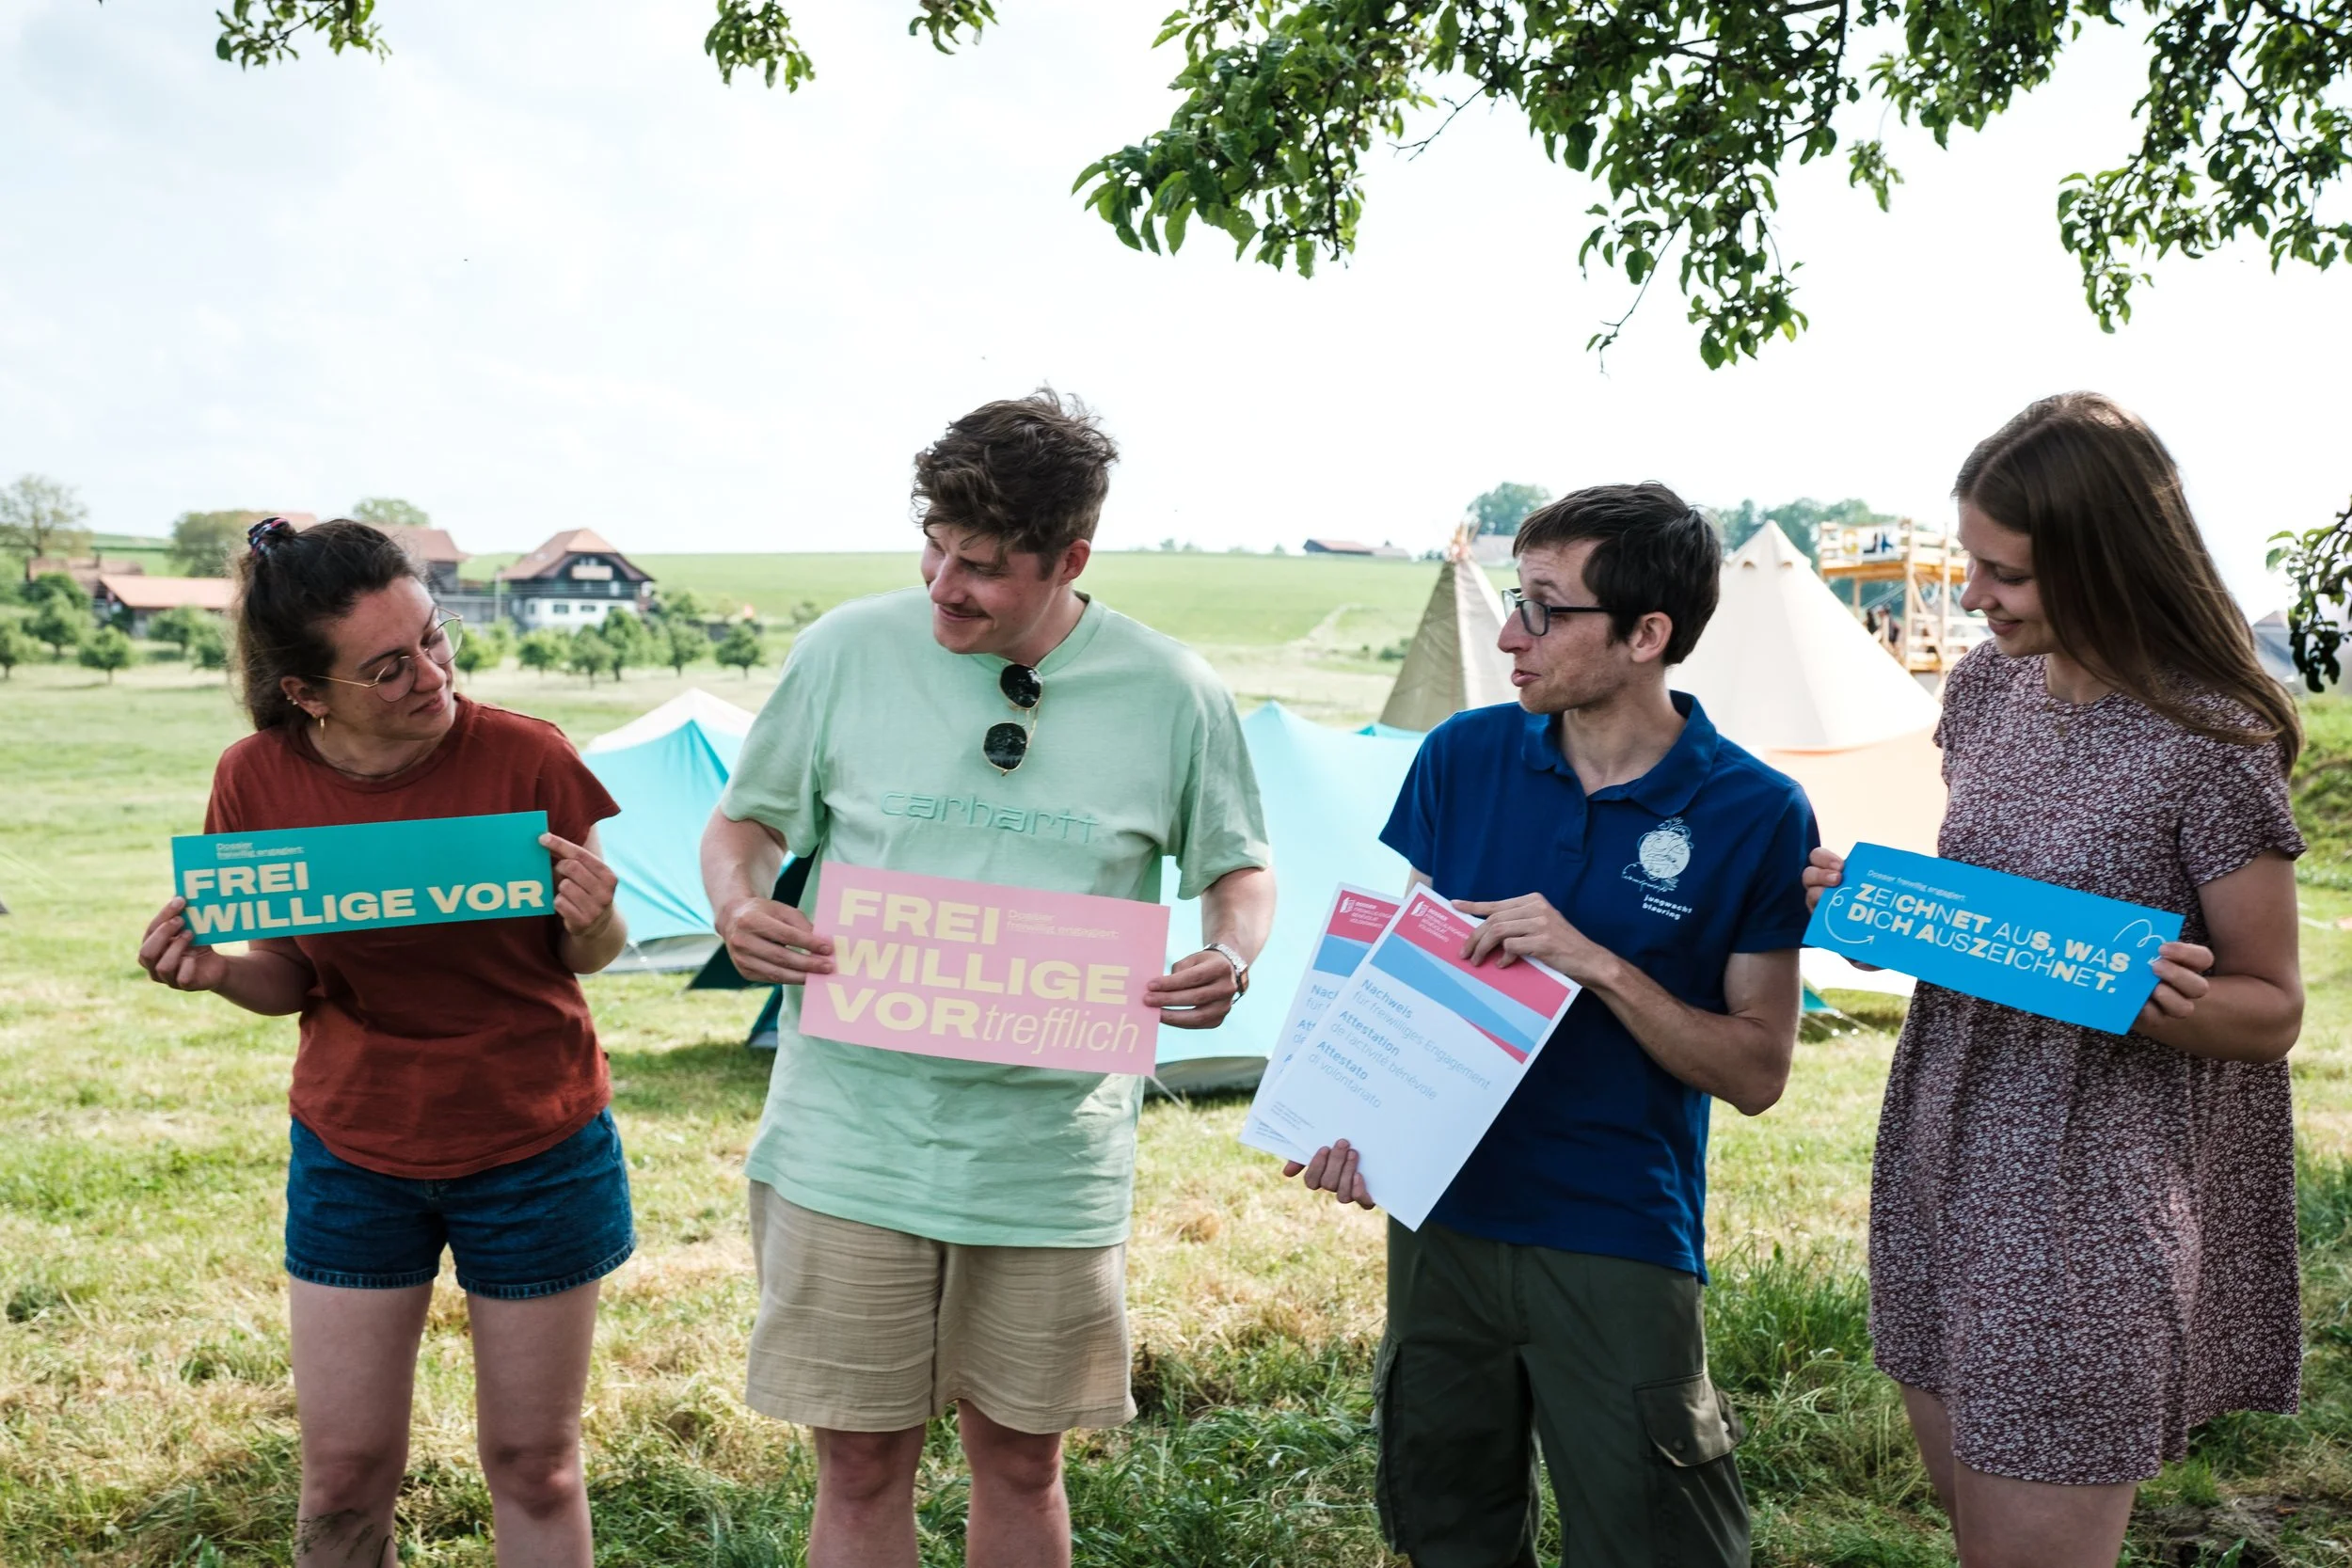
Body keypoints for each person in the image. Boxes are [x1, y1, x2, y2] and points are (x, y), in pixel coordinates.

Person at [699, 390, 1276, 1568]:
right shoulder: (845, 652)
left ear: (1071, 558)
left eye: (983, 567)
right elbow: (744, 823)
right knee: (858, 1462)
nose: (943, 586)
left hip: (1046, 1152)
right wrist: (739, 904)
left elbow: (1240, 868)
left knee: (1021, 1459)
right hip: (847, 1134)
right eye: (935, 549)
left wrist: (1231, 951)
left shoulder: (1173, 690)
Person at [1804, 393, 2305, 1568]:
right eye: (1972, 562)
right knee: (1978, 1531)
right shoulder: (1984, 693)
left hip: (2086, 1196)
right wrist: (1895, 915)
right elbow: (1996, 895)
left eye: (2004, 573)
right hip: (1942, 1152)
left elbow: (2270, 1009)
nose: (1972, 595)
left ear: (2104, 565)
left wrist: (2120, 984)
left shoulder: (2209, 741)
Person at [1291, 484, 1819, 1567]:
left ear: (1644, 634)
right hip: (1441, 1222)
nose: (1506, 632)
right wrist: (1349, 1122)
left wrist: (1594, 962)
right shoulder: (1463, 756)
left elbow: (1757, 1069)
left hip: (1615, 1230)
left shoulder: (1754, 810)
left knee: (1654, 1544)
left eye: (1541, 607)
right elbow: (1403, 976)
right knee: (1447, 1529)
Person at [136, 519, 633, 1568]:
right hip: (354, 1154)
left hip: (537, 1146)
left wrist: (595, 918)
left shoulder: (528, 753)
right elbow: (292, 977)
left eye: (434, 637)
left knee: (534, 1461)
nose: (432, 674)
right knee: (344, 1475)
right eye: (387, 665)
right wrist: (221, 970)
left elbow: (587, 956)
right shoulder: (255, 781)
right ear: (307, 693)